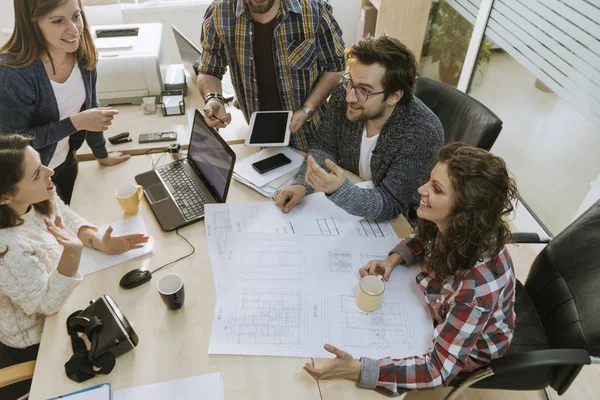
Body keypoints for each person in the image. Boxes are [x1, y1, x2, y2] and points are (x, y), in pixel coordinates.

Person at [303, 142, 518, 397]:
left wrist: (358, 369)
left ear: (464, 213)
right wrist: (393, 259)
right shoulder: (455, 226)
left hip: (470, 345)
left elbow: (437, 370)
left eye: (436, 189)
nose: (421, 189)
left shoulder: (476, 290)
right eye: (430, 180)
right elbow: (424, 236)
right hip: (440, 306)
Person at [0, 134, 148, 399]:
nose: (50, 172)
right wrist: (72, 254)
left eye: (42, 163)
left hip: (66, 299)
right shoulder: (6, 250)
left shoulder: (38, 194)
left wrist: (96, 240)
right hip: (40, 337)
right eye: (36, 174)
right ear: (5, 197)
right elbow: (45, 305)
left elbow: (63, 215)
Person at [276, 35, 444, 220]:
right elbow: (325, 147)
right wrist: (302, 185)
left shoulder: (422, 132)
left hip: (397, 225)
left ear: (394, 96)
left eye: (364, 90)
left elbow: (391, 203)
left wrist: (340, 190)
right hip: (350, 204)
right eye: (351, 83)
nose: (350, 97)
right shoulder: (343, 95)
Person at [0, 0, 130, 205]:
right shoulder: (12, 75)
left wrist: (101, 155)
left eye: (76, 16)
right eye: (58, 21)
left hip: (66, 163)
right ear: (33, 24)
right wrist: (76, 123)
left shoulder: (82, 55)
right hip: (29, 182)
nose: (73, 29)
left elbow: (92, 114)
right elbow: (11, 145)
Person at [197, 0, 346, 152]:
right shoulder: (220, 12)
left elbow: (336, 66)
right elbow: (209, 70)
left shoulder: (313, 10)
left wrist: (307, 109)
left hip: (310, 134)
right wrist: (213, 98)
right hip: (258, 136)